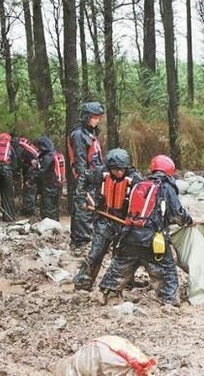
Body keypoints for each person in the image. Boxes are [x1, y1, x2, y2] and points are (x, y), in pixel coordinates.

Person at [99, 155, 192, 306]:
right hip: (151, 238)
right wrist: (189, 221)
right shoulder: (166, 187)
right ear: (170, 171)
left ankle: (107, 293)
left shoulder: (139, 184)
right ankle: (169, 301)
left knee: (121, 265)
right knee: (165, 268)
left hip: (128, 234)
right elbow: (178, 214)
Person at [74, 148, 141, 292]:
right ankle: (83, 282)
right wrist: (80, 199)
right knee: (96, 252)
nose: (119, 172)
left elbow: (143, 197)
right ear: (109, 168)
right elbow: (83, 178)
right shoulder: (99, 173)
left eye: (122, 169)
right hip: (104, 218)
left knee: (122, 254)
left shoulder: (135, 179)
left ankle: (125, 283)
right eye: (116, 169)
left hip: (124, 222)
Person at [68, 102, 105, 253]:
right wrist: (83, 184)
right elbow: (80, 162)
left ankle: (84, 240)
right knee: (83, 209)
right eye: (95, 117)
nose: (97, 120)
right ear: (87, 117)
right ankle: (80, 244)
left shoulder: (91, 133)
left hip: (94, 178)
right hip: (85, 178)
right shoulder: (78, 135)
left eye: (99, 117)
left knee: (91, 210)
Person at [36, 136, 65, 221]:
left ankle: (48, 221)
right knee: (55, 204)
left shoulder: (48, 156)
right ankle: (55, 220)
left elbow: (42, 171)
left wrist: (33, 178)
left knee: (47, 204)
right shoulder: (56, 154)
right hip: (58, 183)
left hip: (49, 183)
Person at [14, 136, 41, 215]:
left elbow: (19, 163)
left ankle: (28, 211)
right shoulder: (31, 149)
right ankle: (30, 208)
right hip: (38, 171)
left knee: (29, 189)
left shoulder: (22, 149)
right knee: (32, 190)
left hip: (32, 172)